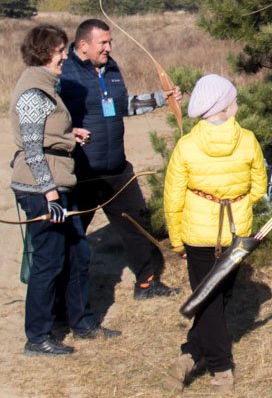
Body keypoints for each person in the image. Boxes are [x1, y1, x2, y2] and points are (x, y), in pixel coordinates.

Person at [11, 24, 121, 356]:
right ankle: (38, 337)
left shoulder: (48, 86)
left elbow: (46, 133)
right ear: (46, 53)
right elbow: (32, 148)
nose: (64, 56)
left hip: (59, 182)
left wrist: (69, 136)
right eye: (60, 51)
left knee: (77, 254)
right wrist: (50, 195)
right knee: (48, 261)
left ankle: (83, 324)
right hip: (42, 189)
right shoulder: (33, 91)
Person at [58, 18, 181, 300]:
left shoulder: (111, 68)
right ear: (83, 45)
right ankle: (64, 298)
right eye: (103, 43)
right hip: (81, 172)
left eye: (110, 42)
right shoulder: (65, 73)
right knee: (71, 236)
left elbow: (123, 105)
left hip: (117, 169)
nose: (109, 48)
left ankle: (146, 284)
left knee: (137, 222)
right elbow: (50, 117)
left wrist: (162, 98)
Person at [163, 74, 266, 393]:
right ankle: (214, 364)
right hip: (236, 233)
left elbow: (173, 199)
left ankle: (203, 361)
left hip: (199, 235)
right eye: (233, 99)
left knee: (210, 299)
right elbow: (258, 188)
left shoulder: (186, 145)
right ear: (225, 105)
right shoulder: (247, 139)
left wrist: (177, 240)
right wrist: (237, 204)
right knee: (213, 298)